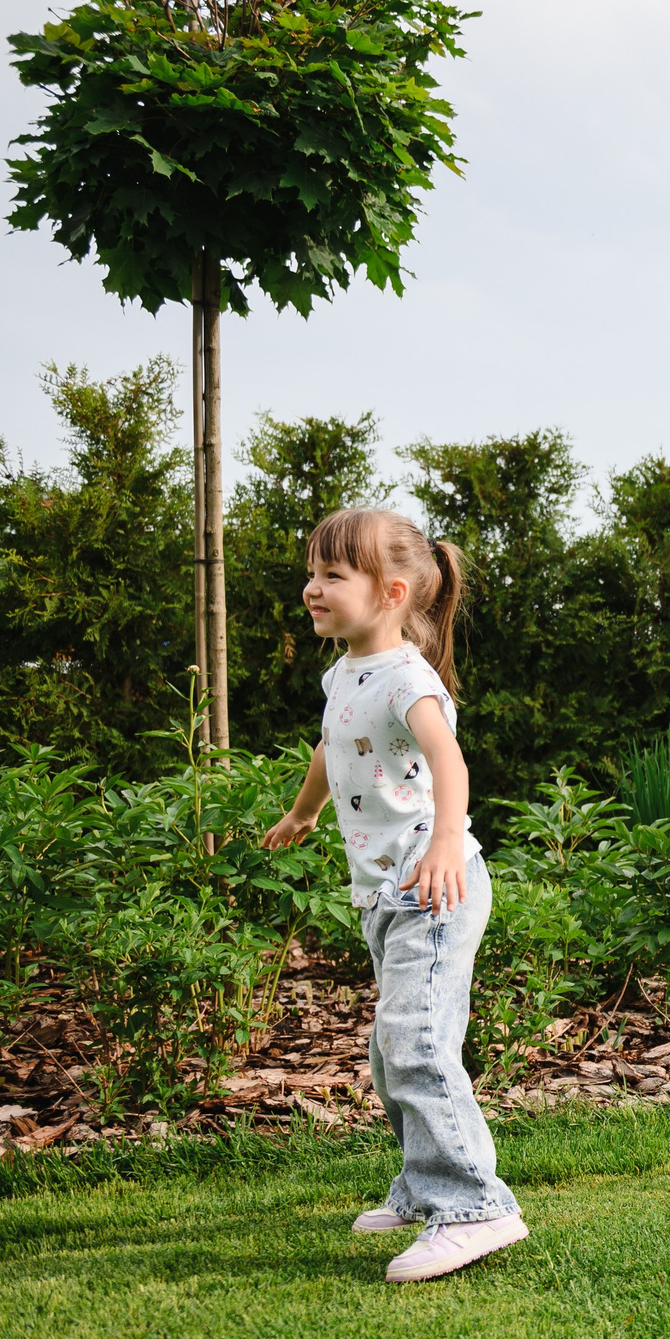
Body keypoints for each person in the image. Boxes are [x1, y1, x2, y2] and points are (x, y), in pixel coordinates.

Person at [264, 510, 529, 1281]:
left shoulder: (410, 677)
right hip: (388, 891)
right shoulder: (345, 671)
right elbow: (330, 742)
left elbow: (451, 760)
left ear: (392, 593)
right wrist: (303, 809)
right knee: (393, 1050)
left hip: (433, 882)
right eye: (312, 572)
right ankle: (422, 1185)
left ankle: (477, 1206)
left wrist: (448, 839)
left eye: (333, 575)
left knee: (416, 1039)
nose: (312, 588)